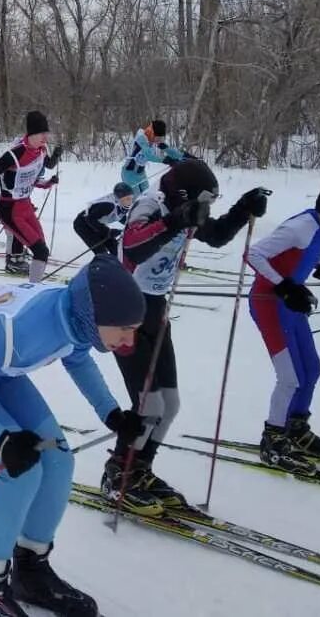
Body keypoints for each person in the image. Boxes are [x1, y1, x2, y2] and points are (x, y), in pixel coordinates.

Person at [0, 256, 146, 617]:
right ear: (97, 315)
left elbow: (79, 356)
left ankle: (31, 570)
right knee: (20, 470)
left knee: (57, 458)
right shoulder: (24, 329)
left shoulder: (77, 317)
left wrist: (111, 413)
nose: (130, 339)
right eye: (124, 328)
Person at [103, 159, 269, 512]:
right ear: (184, 194)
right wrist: (175, 220)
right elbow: (134, 246)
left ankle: (140, 469)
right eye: (205, 199)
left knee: (170, 405)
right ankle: (118, 474)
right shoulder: (151, 205)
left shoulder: (187, 209)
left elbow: (217, 234)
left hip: (155, 309)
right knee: (149, 406)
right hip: (122, 310)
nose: (207, 207)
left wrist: (244, 208)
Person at [246, 176, 320, 472]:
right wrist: (284, 286)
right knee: (289, 378)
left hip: (291, 306)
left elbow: (308, 252)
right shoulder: (300, 227)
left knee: (311, 369)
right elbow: (254, 253)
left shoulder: (318, 227)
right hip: (270, 305)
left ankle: (296, 428)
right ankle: (273, 439)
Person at [0, 111, 61, 282]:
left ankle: (35, 287)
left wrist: (48, 183)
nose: (45, 137)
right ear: (31, 133)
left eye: (47, 133)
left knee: (42, 250)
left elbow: (35, 177)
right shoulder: (15, 154)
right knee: (40, 251)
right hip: (10, 209)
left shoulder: (41, 150)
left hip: (25, 206)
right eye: (41, 133)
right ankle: (33, 290)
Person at [120, 119, 182, 194]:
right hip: (129, 174)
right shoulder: (141, 138)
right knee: (135, 198)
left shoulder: (152, 140)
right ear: (152, 133)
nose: (159, 140)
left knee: (147, 195)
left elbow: (169, 150)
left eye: (161, 138)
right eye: (158, 138)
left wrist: (181, 157)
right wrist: (166, 160)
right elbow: (149, 155)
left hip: (141, 174)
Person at [72, 183, 135, 256]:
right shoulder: (108, 206)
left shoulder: (123, 205)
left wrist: (131, 225)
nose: (130, 202)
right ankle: (100, 265)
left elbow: (119, 216)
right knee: (101, 251)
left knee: (116, 249)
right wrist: (108, 231)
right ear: (119, 198)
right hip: (82, 224)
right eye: (127, 199)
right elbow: (90, 219)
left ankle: (118, 264)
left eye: (131, 198)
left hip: (96, 224)